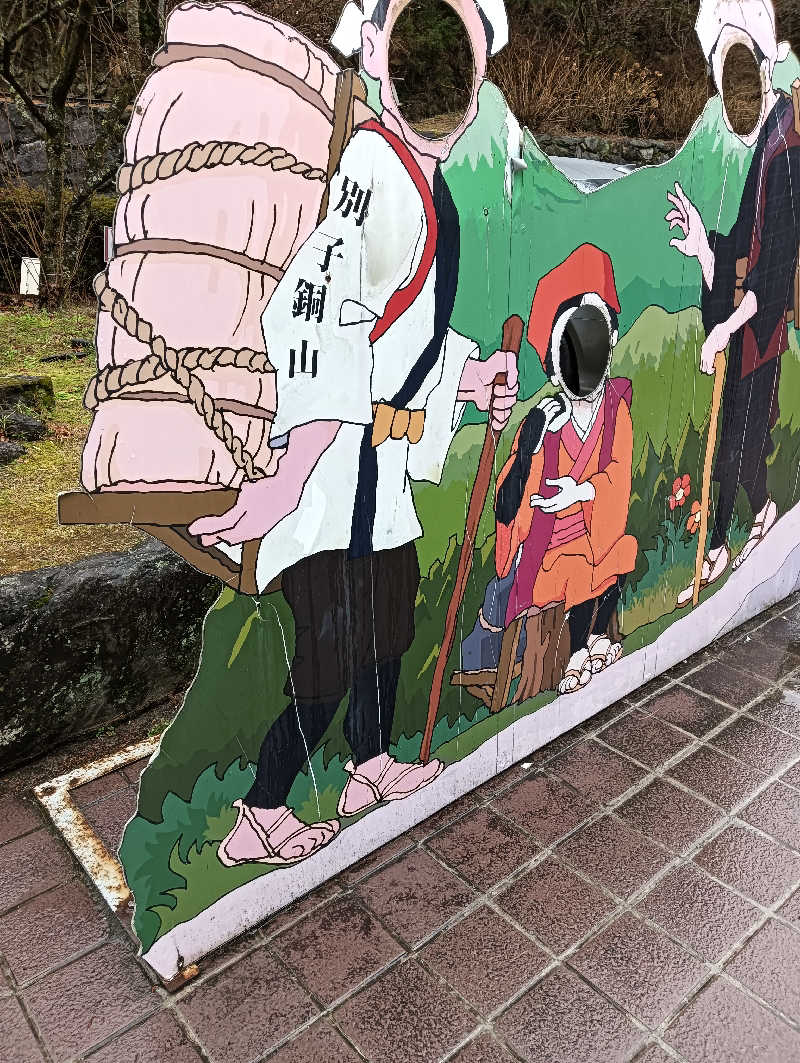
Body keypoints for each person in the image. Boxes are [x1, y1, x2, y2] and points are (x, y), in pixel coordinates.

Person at [188, 0, 520, 866]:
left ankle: (370, 764)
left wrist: (471, 374)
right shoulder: (377, 170)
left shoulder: (421, 181)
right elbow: (324, 314)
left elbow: (395, 329)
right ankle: (260, 812)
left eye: (464, 61)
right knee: (331, 653)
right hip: (334, 470)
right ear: (375, 53)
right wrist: (293, 472)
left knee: (385, 625)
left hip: (377, 474)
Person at [666, 0, 800, 608]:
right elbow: (742, 245)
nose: (731, 101)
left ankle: (761, 510)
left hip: (759, 326)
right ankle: (720, 534)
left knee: (746, 436)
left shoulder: (786, 154)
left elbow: (771, 272)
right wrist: (703, 250)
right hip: (744, 313)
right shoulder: (764, 149)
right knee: (726, 440)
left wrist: (723, 331)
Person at [477, 245, 637, 696]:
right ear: (555, 365)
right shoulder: (543, 423)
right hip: (549, 546)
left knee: (618, 550)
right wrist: (529, 445)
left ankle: (594, 640)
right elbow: (509, 507)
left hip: (594, 530)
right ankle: (581, 651)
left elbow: (618, 478)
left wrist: (582, 493)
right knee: (572, 568)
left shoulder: (614, 411)